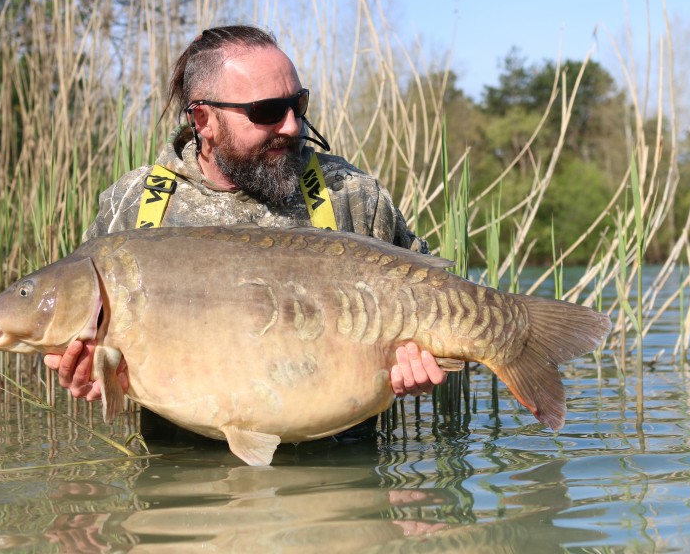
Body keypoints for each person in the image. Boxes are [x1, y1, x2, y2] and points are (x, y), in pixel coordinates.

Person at [43, 25, 445, 441]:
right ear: (204, 120)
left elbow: (436, 302)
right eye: (267, 110)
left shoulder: (349, 194)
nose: (292, 125)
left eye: (298, 104)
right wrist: (95, 377)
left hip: (340, 477)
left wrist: (422, 362)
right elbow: (96, 355)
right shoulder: (135, 205)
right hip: (184, 481)